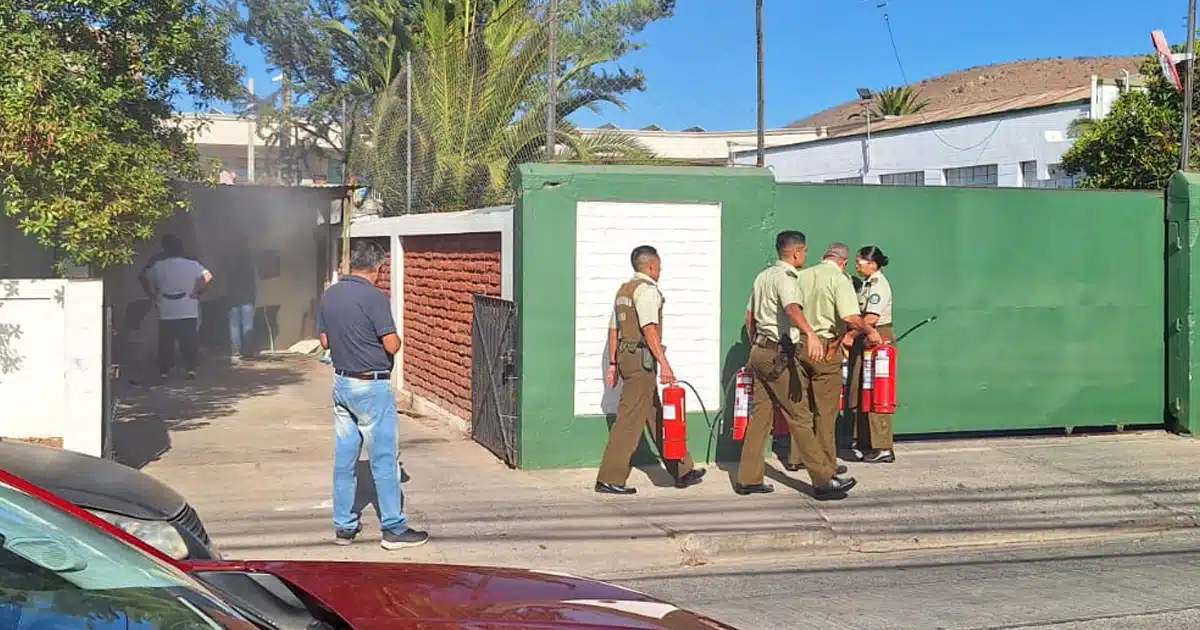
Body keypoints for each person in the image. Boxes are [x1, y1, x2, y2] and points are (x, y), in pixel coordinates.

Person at [317, 241, 428, 550]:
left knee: (345, 459)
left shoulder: (329, 294)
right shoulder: (374, 298)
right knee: (383, 459)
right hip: (371, 386)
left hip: (342, 384)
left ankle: (344, 526)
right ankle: (393, 528)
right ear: (378, 268)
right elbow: (392, 345)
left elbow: (325, 341)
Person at [737, 231, 857, 500]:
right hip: (779, 355)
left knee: (761, 417)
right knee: (800, 417)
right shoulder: (786, 277)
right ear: (795, 253)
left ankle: (748, 478)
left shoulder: (762, 276)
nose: (805, 256)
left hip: (759, 350)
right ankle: (823, 480)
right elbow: (792, 308)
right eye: (804, 252)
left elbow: (749, 318)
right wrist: (811, 334)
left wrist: (755, 345)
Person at [595, 245, 706, 495]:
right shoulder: (647, 291)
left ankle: (682, 469)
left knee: (656, 415)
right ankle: (610, 478)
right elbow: (649, 329)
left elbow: (613, 330)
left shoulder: (624, 290)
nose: (660, 271)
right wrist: (665, 364)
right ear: (652, 266)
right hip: (641, 360)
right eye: (660, 267)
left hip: (627, 357)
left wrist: (613, 364)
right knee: (629, 420)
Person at [791, 242, 882, 474]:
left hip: (800, 344)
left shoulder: (802, 276)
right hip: (825, 346)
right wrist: (869, 331)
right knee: (826, 411)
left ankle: (796, 457)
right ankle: (825, 465)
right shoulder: (839, 280)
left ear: (824, 256)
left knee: (802, 407)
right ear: (842, 262)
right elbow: (850, 316)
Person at [844, 245, 897, 463]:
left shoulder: (878, 286)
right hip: (864, 337)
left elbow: (871, 319)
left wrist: (851, 335)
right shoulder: (865, 284)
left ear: (873, 264)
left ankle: (883, 446)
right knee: (861, 389)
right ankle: (863, 440)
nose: (857, 265)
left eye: (861, 261)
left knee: (877, 391)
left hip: (877, 336)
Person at [139, 235, 213, 380]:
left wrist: (151, 294)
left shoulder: (159, 265)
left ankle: (164, 371)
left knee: (166, 340)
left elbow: (143, 277)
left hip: (166, 308)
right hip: (188, 306)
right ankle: (191, 369)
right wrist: (198, 292)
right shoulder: (192, 264)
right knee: (189, 339)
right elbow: (208, 276)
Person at [225, 235, 259, 361]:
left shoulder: (230, 259)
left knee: (234, 325)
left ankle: (236, 351)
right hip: (247, 295)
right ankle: (247, 350)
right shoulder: (249, 258)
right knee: (247, 324)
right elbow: (253, 278)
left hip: (233, 295)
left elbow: (228, 278)